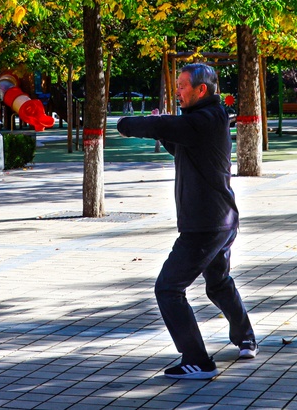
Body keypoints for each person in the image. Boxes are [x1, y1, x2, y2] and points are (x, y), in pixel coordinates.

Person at [117, 63, 255, 380]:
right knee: (218, 284)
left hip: (205, 226)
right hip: (221, 220)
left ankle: (198, 360)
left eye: (182, 85)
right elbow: (178, 144)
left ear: (201, 89)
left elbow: (166, 127)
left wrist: (127, 125)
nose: (177, 90)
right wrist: (161, 129)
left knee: (168, 288)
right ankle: (245, 337)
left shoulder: (205, 119)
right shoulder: (206, 120)